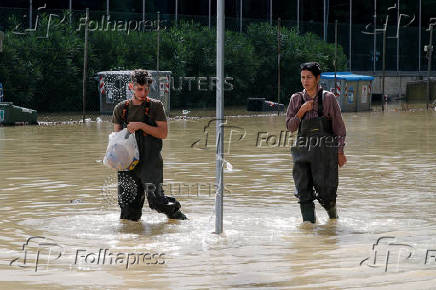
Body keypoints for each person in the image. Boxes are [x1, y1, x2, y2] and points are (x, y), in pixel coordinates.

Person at [112, 69, 187, 221]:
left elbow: (163, 133)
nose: (143, 92)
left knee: (156, 202)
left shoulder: (156, 106)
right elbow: (116, 139)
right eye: (139, 89)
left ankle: (178, 216)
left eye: (146, 89)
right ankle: (132, 240)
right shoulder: (120, 108)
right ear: (130, 87)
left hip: (151, 162)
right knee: (128, 209)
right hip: (127, 164)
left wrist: (141, 125)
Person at [286, 62, 347, 223]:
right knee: (303, 192)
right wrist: (301, 111)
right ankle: (309, 229)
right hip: (302, 153)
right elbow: (290, 127)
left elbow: (339, 128)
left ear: (318, 78)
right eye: (303, 78)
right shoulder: (296, 99)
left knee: (327, 193)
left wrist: (340, 152)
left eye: (309, 77)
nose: (305, 81)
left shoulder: (328, 98)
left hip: (325, 153)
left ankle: (333, 221)